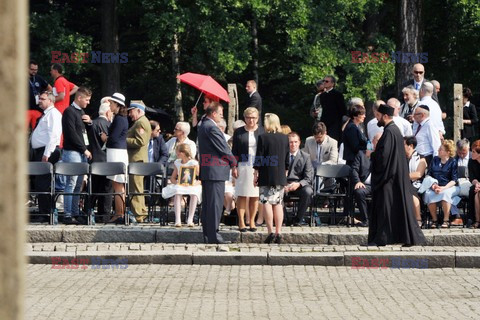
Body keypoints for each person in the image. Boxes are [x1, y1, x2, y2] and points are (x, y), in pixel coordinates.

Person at [368, 104, 426, 246]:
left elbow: (384, 157)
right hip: (395, 177)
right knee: (398, 208)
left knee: (385, 209)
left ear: (385, 116)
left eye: (378, 116)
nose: (377, 119)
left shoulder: (389, 132)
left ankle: (382, 238)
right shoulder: (394, 131)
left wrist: (373, 155)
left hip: (389, 178)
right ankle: (405, 238)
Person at [197, 102, 237, 244]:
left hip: (209, 171)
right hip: (215, 171)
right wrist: (234, 163)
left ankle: (208, 235)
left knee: (209, 205)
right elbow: (223, 148)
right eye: (220, 113)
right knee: (214, 205)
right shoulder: (212, 127)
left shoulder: (203, 124)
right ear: (213, 113)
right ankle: (214, 236)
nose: (222, 115)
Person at [254, 113, 289, 244]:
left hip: (266, 173)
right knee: (278, 203)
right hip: (280, 174)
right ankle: (278, 232)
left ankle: (270, 232)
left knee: (266, 202)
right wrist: (285, 173)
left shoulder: (263, 137)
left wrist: (255, 174)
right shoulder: (284, 138)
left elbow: (259, 158)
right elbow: (287, 159)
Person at [61, 87, 93, 224]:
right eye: (86, 99)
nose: (88, 102)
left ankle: (75, 212)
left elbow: (83, 133)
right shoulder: (69, 112)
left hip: (81, 153)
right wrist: (83, 149)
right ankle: (68, 213)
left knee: (79, 184)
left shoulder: (81, 112)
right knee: (71, 182)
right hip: (73, 152)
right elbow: (71, 133)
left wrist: (90, 122)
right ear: (79, 98)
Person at [30, 91, 62, 220]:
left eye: (42, 99)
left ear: (50, 100)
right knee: (40, 182)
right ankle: (44, 211)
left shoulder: (53, 114)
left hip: (47, 151)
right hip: (42, 151)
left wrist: (46, 153)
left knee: (43, 182)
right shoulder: (46, 114)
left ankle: (46, 213)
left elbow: (54, 135)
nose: (39, 101)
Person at [232, 107, 264, 232]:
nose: (251, 120)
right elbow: (234, 150)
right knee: (242, 194)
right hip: (243, 164)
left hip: (258, 165)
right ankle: (241, 221)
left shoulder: (262, 131)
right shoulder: (239, 132)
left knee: (255, 195)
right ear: (244, 118)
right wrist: (233, 166)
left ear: (258, 119)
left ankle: (252, 221)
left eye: (254, 118)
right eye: (249, 117)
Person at [102, 94, 129, 223]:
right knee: (117, 184)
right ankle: (119, 212)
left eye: (112, 103)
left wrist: (105, 138)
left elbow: (113, 138)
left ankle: (119, 214)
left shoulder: (119, 119)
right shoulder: (120, 118)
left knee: (118, 185)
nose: (110, 105)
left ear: (118, 105)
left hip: (116, 152)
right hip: (117, 152)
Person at [161, 144, 201, 227]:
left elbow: (201, 178)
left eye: (178, 153)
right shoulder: (177, 162)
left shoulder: (194, 163)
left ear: (183, 153)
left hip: (192, 184)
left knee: (194, 194)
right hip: (181, 183)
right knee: (178, 192)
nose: (177, 155)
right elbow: (173, 178)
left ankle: (190, 219)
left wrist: (194, 183)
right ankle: (177, 219)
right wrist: (177, 182)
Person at [423, 140, 459, 229]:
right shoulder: (435, 159)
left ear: (448, 152)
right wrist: (434, 185)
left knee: (445, 194)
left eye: (441, 149)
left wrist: (443, 188)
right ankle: (435, 220)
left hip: (450, 186)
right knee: (429, 194)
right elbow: (429, 174)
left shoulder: (453, 162)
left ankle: (446, 220)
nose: (438, 150)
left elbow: (454, 180)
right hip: (435, 185)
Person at [126, 102, 152, 223]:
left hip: (137, 159)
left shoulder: (141, 122)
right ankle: (141, 212)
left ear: (138, 110)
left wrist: (123, 140)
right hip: (138, 159)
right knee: (138, 188)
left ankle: (138, 215)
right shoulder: (142, 121)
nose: (129, 114)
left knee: (135, 189)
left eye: (131, 111)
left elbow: (140, 141)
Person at [87, 101, 113, 222]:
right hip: (107, 160)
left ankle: (88, 212)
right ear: (108, 112)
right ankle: (104, 215)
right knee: (106, 190)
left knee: (93, 189)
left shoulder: (91, 124)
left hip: (94, 160)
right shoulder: (109, 125)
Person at [285, 132, 314, 226]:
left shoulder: (306, 157)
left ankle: (298, 219)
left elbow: (308, 177)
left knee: (308, 191)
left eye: (295, 142)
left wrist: (298, 184)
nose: (293, 144)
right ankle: (285, 219)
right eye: (290, 142)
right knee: (276, 191)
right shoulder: (282, 155)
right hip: (284, 184)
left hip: (299, 185)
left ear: (299, 142)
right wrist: (284, 184)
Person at [404, 136, 427, 226]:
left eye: (403, 145)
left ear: (410, 145)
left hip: (416, 184)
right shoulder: (400, 157)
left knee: (410, 191)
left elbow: (418, 174)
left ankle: (418, 218)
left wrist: (402, 177)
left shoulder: (421, 158)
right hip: (403, 182)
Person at [319, 75, 347, 143]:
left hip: (335, 123)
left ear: (332, 84)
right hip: (325, 123)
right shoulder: (322, 95)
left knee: (333, 142)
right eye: (323, 81)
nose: (324, 83)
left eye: (327, 81)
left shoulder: (338, 95)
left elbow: (342, 110)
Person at [28, 60, 52, 130]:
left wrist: (44, 95)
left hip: (37, 109)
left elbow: (50, 88)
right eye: (32, 69)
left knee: (37, 130)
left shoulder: (39, 78)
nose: (34, 71)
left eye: (36, 70)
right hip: (25, 109)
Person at [468, 140, 480, 228]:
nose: (471, 153)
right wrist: (477, 184)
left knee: (477, 194)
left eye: (473, 152)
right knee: (473, 191)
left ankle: (477, 220)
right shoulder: (471, 162)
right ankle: (474, 219)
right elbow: (471, 177)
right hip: (477, 184)